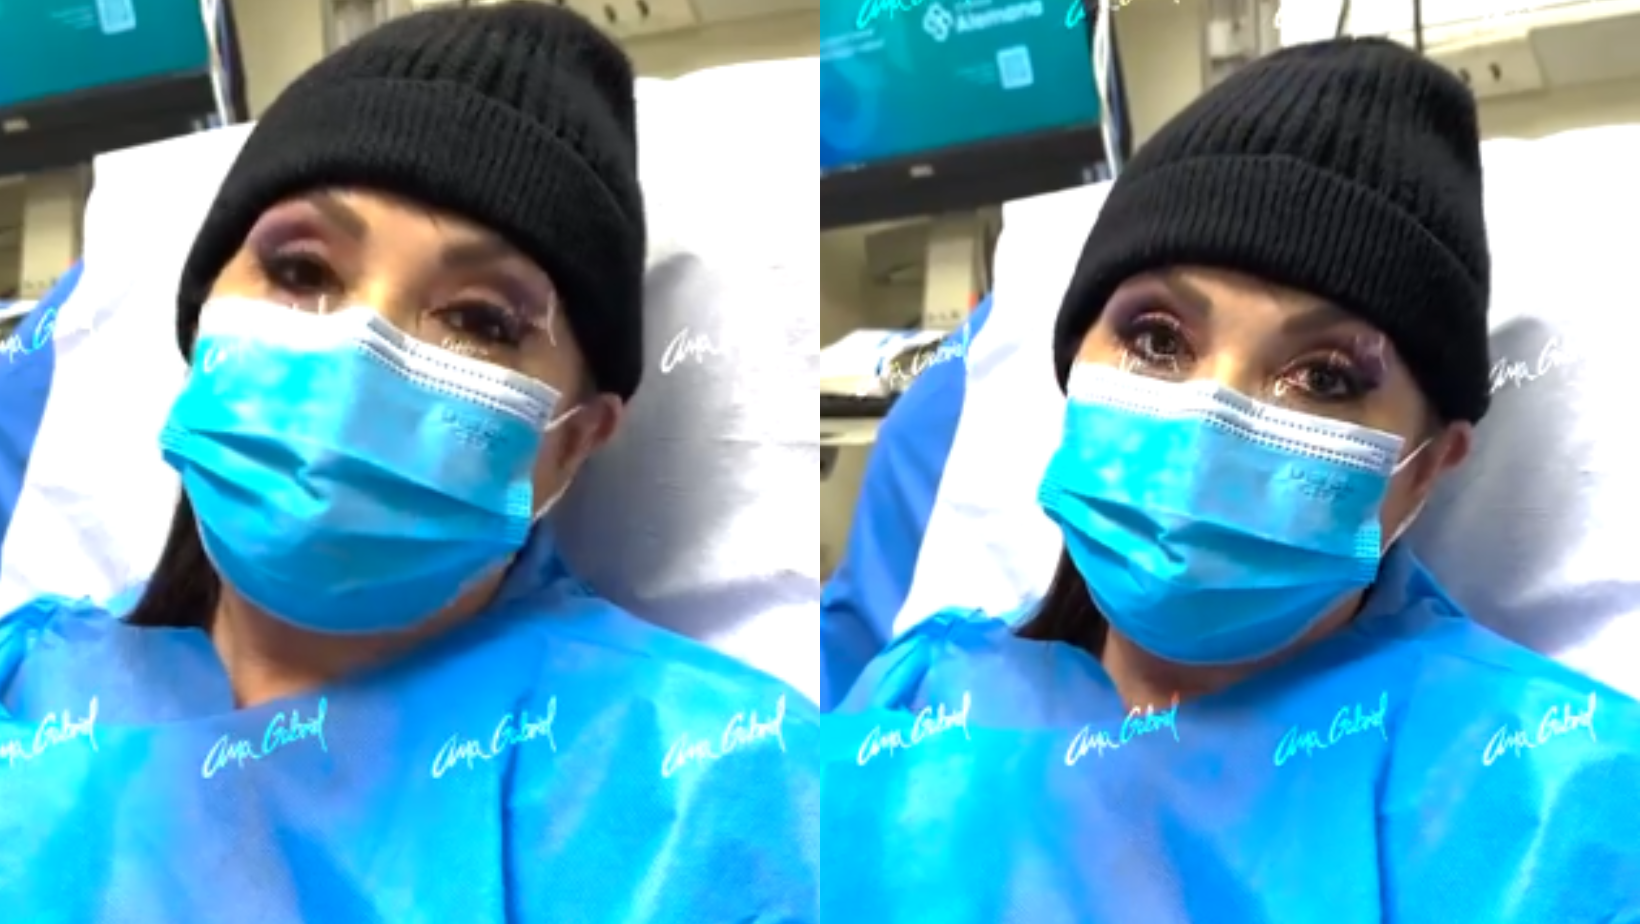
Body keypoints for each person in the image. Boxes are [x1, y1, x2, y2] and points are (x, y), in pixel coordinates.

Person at [0, 6, 816, 923]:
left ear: (573, 442)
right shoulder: (30, 683)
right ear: (200, 332)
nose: (360, 353)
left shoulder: (716, 786)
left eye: (480, 319)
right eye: (302, 272)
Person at [819, 37, 1640, 924]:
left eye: (1325, 377)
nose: (1208, 424)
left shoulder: (1565, 798)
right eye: (1157, 339)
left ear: (1427, 469)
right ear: (1073, 371)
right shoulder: (921, 698)